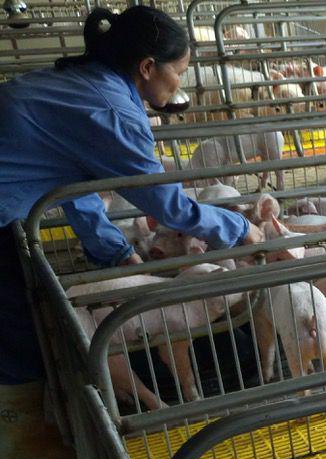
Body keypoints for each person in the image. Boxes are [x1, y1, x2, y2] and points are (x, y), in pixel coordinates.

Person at [0, 5, 262, 385]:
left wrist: (116, 253)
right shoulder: (113, 110)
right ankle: (24, 420)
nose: (179, 84)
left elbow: (74, 183)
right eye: (180, 72)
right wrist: (239, 229)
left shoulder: (89, 83)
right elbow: (163, 203)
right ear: (147, 67)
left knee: (30, 312)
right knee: (23, 334)